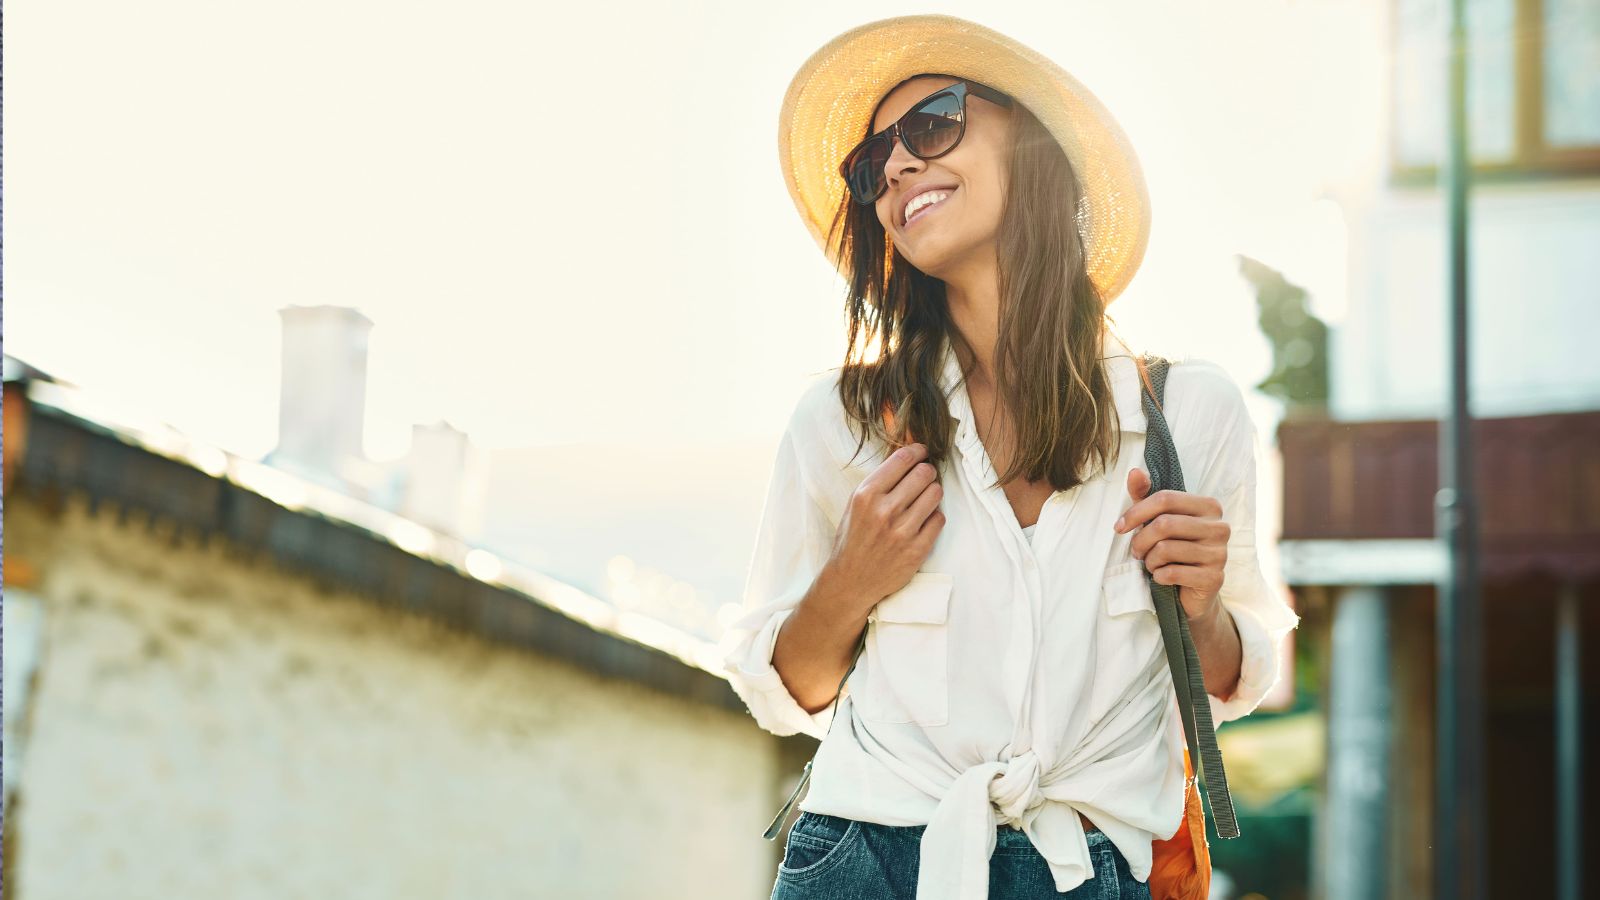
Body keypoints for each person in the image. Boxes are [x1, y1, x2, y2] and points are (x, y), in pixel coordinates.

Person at [720, 14, 1300, 900]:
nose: (900, 167)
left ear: (1030, 142)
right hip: (864, 858)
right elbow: (787, 691)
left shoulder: (1188, 415)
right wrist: (852, 578)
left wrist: (1203, 601)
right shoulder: (842, 423)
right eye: (873, 166)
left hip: (1092, 866)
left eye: (932, 123)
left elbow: (1231, 680)